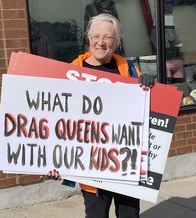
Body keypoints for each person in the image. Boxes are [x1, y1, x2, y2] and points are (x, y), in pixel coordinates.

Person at [41, 13, 155, 218]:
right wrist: (54, 161)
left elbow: (147, 114)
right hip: (91, 170)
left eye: (108, 37)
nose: (101, 43)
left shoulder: (129, 71)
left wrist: (149, 86)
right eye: (96, 36)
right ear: (88, 38)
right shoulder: (71, 72)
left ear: (117, 41)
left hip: (125, 167)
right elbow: (58, 121)